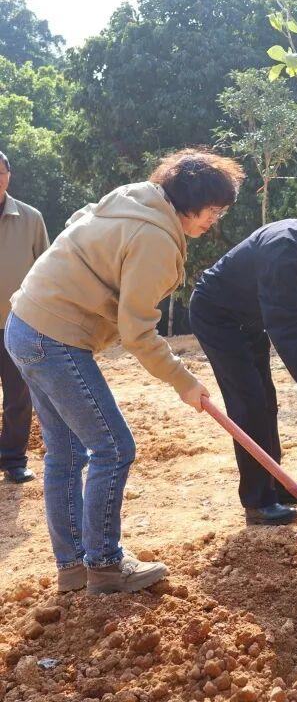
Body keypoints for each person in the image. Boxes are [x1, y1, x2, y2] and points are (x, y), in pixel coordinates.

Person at [4, 149, 243, 594]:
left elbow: (78, 223)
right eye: (213, 210)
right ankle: (106, 566)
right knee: (113, 448)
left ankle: (73, 567)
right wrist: (183, 380)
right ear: (191, 203)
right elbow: (138, 333)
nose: (214, 219)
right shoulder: (155, 237)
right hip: (54, 336)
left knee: (65, 455)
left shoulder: (133, 199)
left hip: (24, 325)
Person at [189, 202, 297, 525]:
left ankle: (277, 483)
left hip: (250, 317)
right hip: (218, 316)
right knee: (249, 403)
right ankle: (257, 502)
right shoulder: (284, 256)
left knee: (266, 401)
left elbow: (287, 319)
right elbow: (288, 330)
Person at [0, 150, 49, 484]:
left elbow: (47, 272)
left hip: (16, 325)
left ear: (9, 175)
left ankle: (14, 460)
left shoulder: (31, 218)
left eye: (0, 171)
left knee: (18, 396)